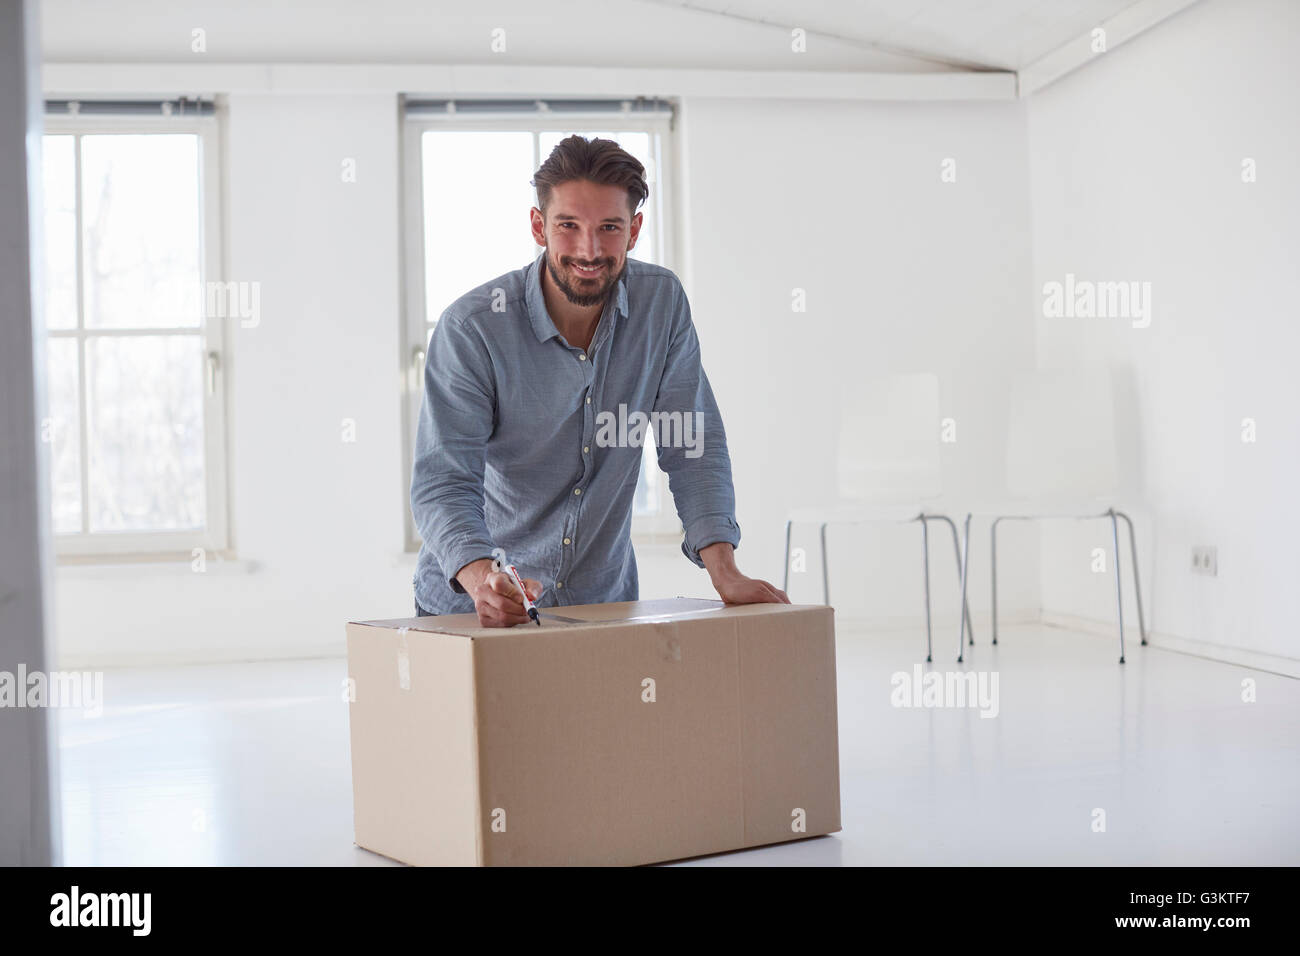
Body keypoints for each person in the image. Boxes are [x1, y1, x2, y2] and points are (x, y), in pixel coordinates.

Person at [411, 134, 789, 626]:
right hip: (473, 607)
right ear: (537, 225)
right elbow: (444, 481)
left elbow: (690, 444)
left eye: (609, 227)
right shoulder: (473, 328)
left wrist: (724, 571)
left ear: (633, 230)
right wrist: (484, 579)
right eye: (568, 225)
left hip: (601, 605)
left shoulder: (661, 305)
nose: (589, 250)